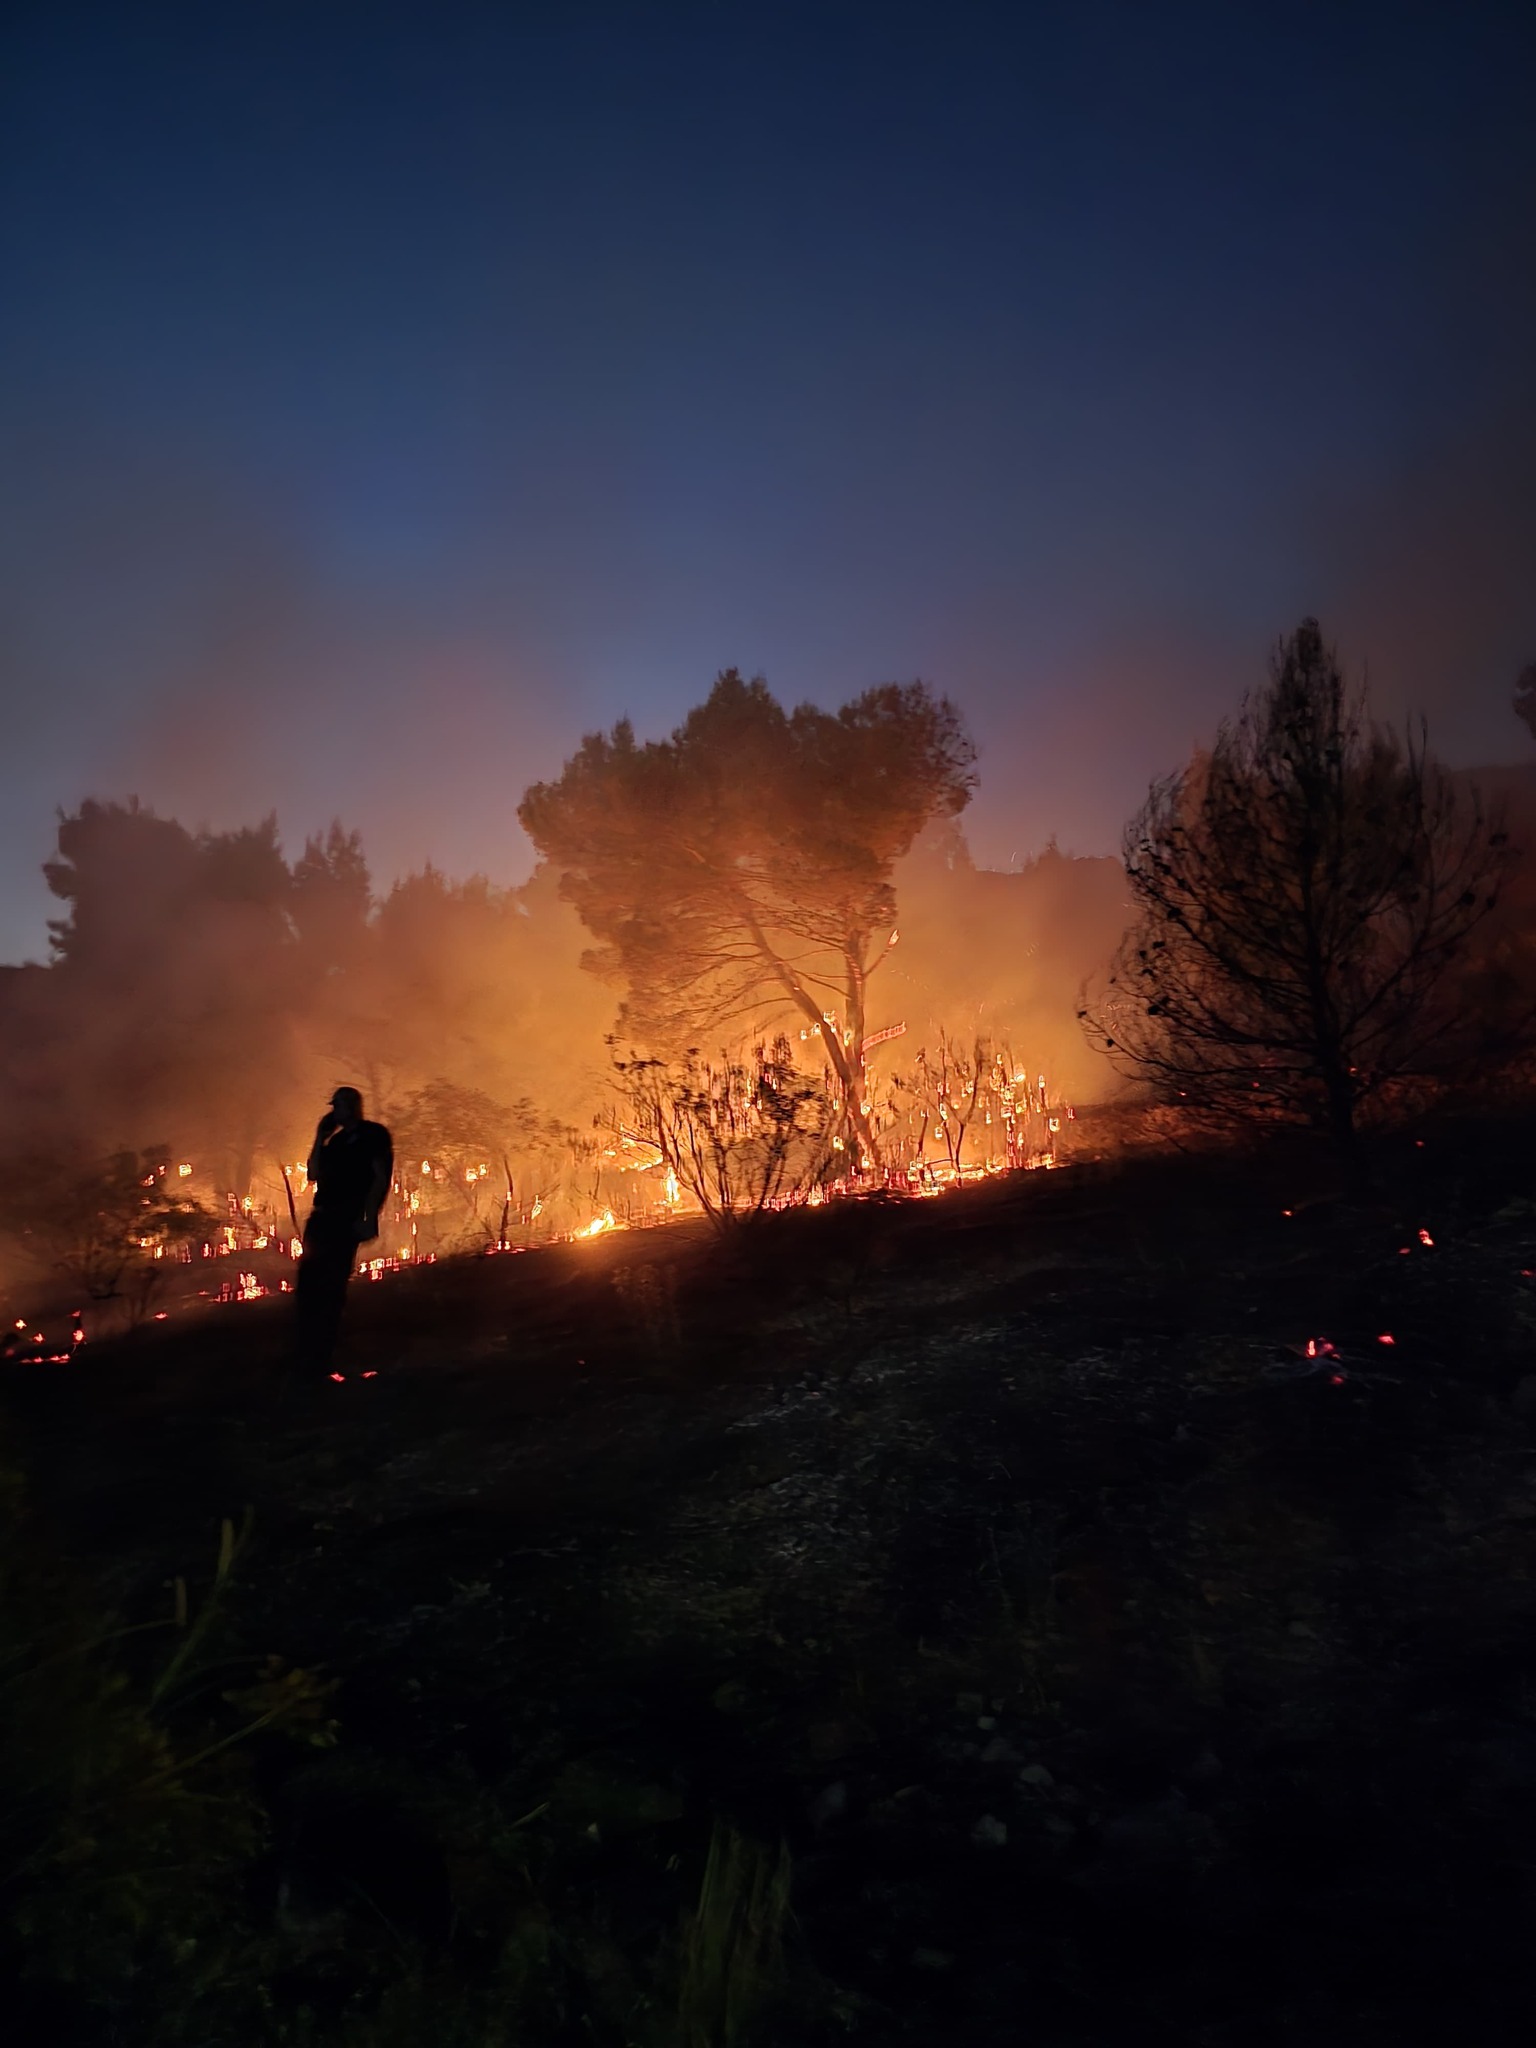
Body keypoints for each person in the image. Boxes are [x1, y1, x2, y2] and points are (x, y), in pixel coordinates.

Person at [292, 1086, 393, 1380]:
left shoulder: (374, 1135)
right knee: (309, 1287)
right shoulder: (334, 1142)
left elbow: (380, 1178)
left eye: (337, 1106)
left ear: (351, 1107)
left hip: (345, 1220)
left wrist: (370, 1217)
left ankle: (324, 1356)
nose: (334, 1112)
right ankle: (306, 1357)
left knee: (332, 1288)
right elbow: (312, 1173)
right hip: (321, 1219)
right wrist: (319, 1138)